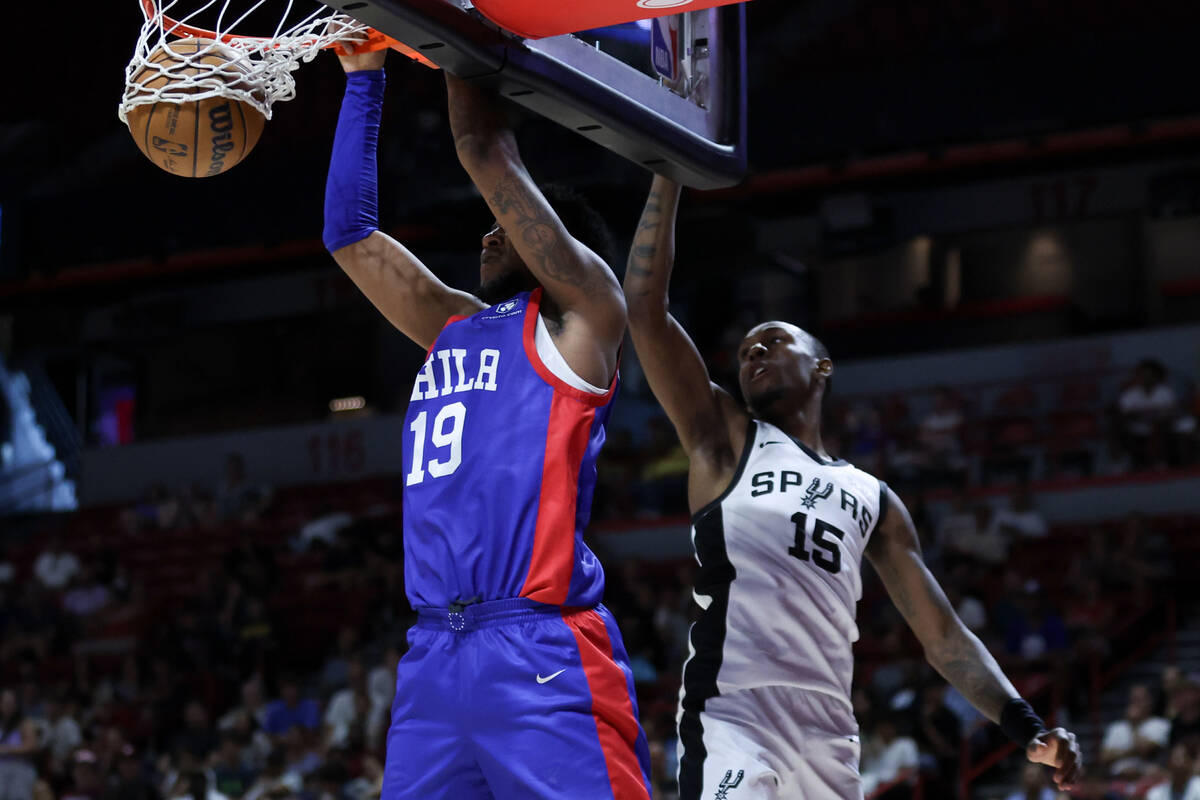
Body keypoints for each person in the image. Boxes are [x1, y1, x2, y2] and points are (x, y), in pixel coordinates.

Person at [622, 175, 1082, 799]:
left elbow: (943, 638)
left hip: (827, 729)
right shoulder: (724, 438)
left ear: (823, 365)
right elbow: (644, 309)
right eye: (747, 349)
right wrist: (668, 171)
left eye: (774, 341)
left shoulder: (873, 497)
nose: (753, 352)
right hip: (734, 711)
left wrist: (1026, 726)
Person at [321, 42, 649, 800]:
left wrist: (450, 31)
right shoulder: (453, 324)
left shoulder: (583, 317)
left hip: (539, 645)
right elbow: (349, 238)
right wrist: (364, 80)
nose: (487, 233)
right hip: (433, 653)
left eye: (505, 225)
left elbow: (482, 149)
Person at [1101, 684, 1171, 777]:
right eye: (1133, 699)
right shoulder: (1116, 727)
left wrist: (1134, 724)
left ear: (1150, 701)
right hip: (1117, 778)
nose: (1135, 703)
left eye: (1140, 699)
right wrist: (1132, 752)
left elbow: (1144, 750)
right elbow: (1104, 757)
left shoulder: (1161, 724)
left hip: (1145, 778)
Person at [0, 688, 39, 800]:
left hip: (20, 768)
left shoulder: (25, 723)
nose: (9, 706)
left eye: (11, 703)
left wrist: (5, 750)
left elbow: (32, 746)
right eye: (6, 703)